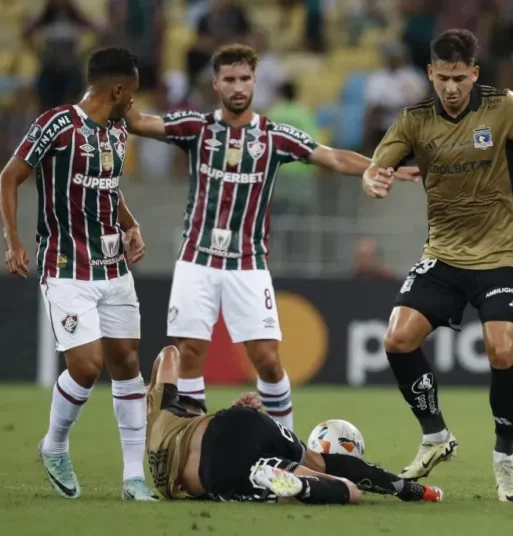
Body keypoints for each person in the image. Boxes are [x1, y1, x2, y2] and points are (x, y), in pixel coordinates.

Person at [362, 29, 513, 502]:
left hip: (498, 255)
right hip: (443, 255)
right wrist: (374, 180)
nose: (452, 88)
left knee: (500, 350)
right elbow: (379, 162)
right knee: (397, 337)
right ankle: (435, 436)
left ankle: (504, 458)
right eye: (443, 78)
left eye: (460, 77)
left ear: (474, 72)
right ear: (430, 74)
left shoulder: (502, 107)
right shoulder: (414, 120)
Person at [124, 44, 418, 431]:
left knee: (266, 357)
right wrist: (119, 86)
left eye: (245, 78)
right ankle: (190, 444)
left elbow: (330, 156)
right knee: (191, 351)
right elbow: (140, 122)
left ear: (255, 82)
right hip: (197, 259)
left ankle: (287, 442)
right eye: (229, 79)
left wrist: (383, 168)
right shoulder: (196, 128)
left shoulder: (274, 136)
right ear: (216, 83)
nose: (238, 86)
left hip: (248, 263)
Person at [0, 48, 157, 501]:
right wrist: (12, 241)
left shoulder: (117, 129)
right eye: (133, 94)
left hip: (113, 267)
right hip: (67, 265)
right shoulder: (58, 124)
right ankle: (54, 444)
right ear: (118, 90)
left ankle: (133, 479)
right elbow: (10, 176)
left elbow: (107, 186)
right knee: (86, 366)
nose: (134, 103)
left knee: (127, 362)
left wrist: (130, 225)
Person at [146, 346, 444, 505]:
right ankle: (409, 489)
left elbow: (167, 358)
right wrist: (159, 394)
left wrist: (154, 394)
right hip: (236, 427)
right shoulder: (165, 415)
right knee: (318, 461)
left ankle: (300, 485)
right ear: (191, 411)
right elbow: (169, 352)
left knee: (344, 491)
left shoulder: (161, 428)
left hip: (212, 476)